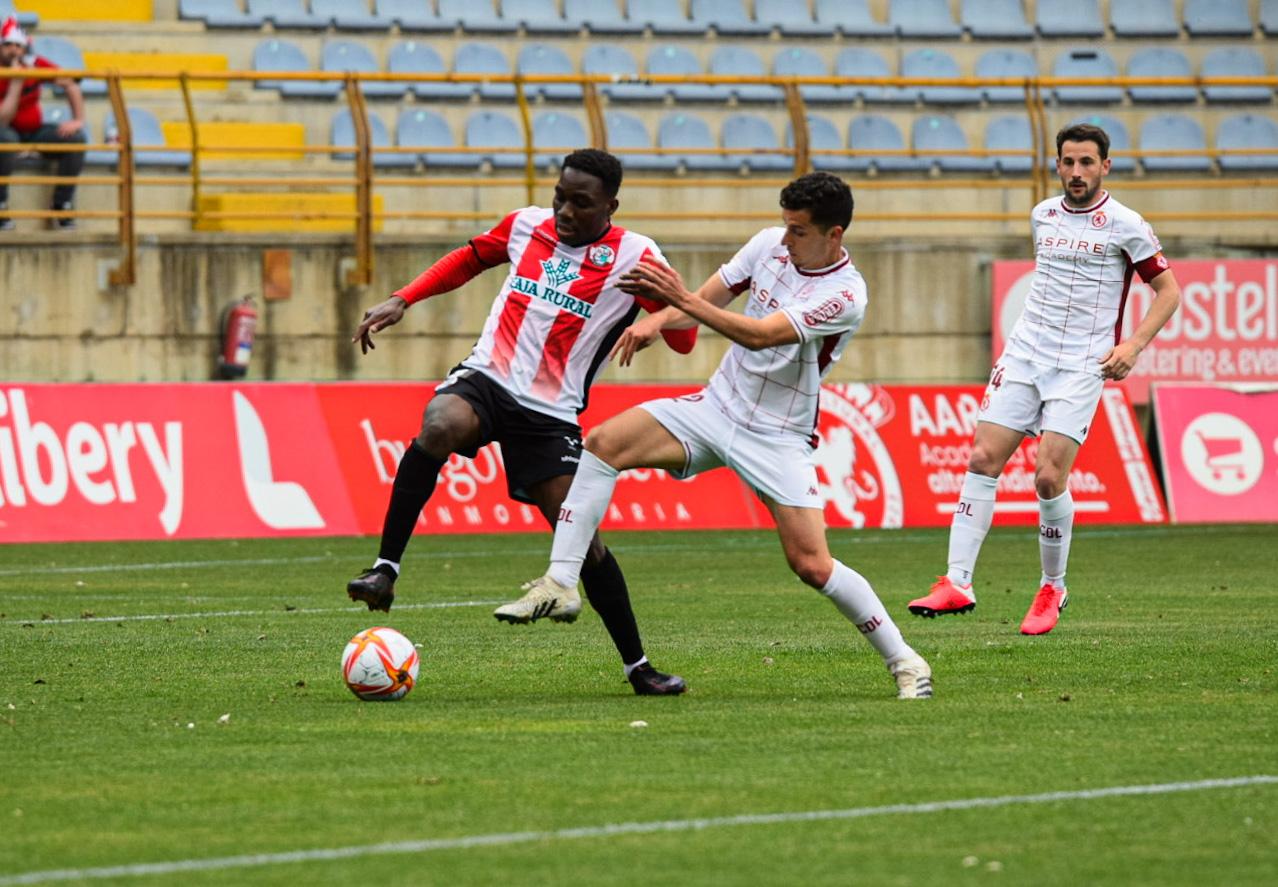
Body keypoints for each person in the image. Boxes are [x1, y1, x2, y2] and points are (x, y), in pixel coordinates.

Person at [502, 172, 934, 700]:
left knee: (812, 565)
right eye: (784, 225)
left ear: (834, 235)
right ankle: (562, 583)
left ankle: (906, 661)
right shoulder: (767, 245)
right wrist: (657, 321)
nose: (785, 238)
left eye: (798, 231)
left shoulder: (845, 294)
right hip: (715, 405)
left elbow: (758, 334)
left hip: (777, 435)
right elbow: (716, 293)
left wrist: (676, 299)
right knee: (603, 444)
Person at [347, 148, 696, 696]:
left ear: (610, 205)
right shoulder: (526, 225)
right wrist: (403, 298)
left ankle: (639, 667)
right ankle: (384, 570)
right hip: (488, 379)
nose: (563, 210)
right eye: (561, 195)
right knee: (439, 423)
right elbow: (467, 259)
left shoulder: (636, 254)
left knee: (583, 540)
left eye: (581, 202)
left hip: (550, 411)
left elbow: (686, 338)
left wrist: (664, 311)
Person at [907, 122, 1182, 636]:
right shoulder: (1042, 215)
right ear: (1056, 165)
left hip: (1082, 364)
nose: (1076, 172)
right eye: (1068, 162)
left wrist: (1133, 346)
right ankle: (957, 582)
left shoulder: (1126, 224)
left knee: (1048, 477)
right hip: (1025, 354)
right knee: (982, 458)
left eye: (1086, 163)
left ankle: (1053, 587)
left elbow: (1168, 292)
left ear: (1105, 166)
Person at [0, 16, 86, 231]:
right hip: (6, 130)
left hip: (33, 130)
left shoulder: (35, 64)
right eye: (8, 45)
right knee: (5, 139)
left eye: (18, 46)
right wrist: (16, 84)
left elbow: (71, 83)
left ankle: (60, 205)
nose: (13, 51)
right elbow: (3, 120)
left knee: (75, 140)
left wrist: (78, 120)